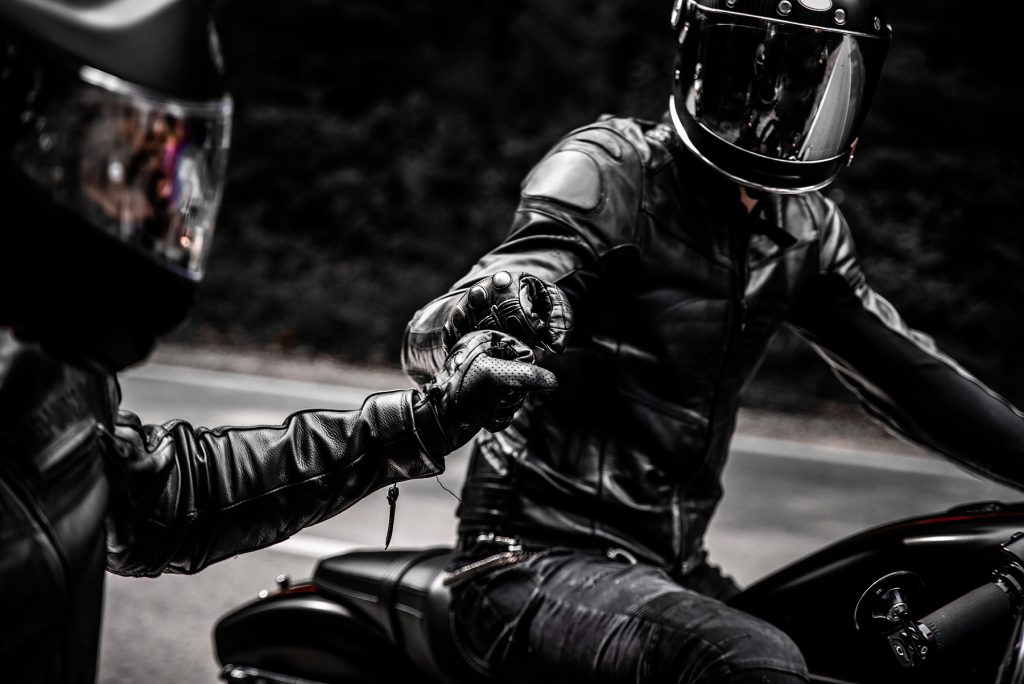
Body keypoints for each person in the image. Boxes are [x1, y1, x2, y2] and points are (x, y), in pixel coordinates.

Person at [401, 0, 1024, 682]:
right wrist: (477, 328)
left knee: (864, 654)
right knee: (754, 662)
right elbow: (521, 269)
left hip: (671, 567)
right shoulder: (612, 172)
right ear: (701, 57)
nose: (779, 109)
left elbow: (908, 375)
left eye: (818, 80)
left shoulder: (805, 229)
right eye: (758, 71)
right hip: (526, 557)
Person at [0, 1, 555, 682]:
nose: (143, 206)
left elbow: (160, 500)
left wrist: (428, 420)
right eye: (113, 164)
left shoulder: (48, 367)